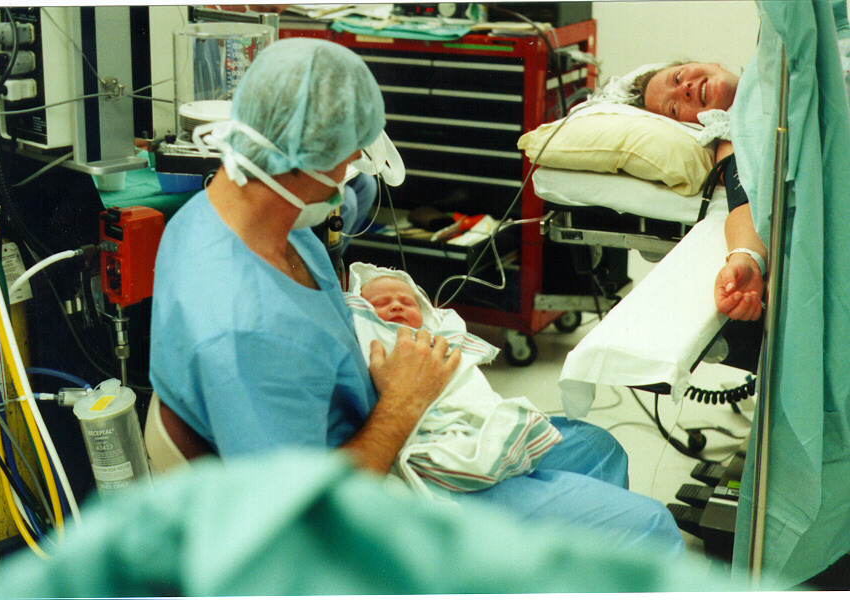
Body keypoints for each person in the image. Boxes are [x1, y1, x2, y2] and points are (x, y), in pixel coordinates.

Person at [149, 37, 684, 555]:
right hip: (367, 501)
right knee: (649, 529)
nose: (354, 167)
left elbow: (320, 331)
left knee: (599, 449)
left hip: (377, 422)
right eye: (347, 156)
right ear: (299, 157)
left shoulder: (234, 216)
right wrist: (403, 403)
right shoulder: (246, 332)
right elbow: (303, 524)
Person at [348, 263, 562, 498]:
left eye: (407, 302)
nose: (397, 305)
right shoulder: (371, 336)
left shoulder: (437, 333)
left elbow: (461, 368)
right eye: (380, 303)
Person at [631, 61, 766, 321]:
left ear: (710, 64)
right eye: (674, 107)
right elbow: (743, 200)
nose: (686, 89)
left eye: (678, 76)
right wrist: (746, 260)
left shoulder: (768, 61)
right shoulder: (732, 137)